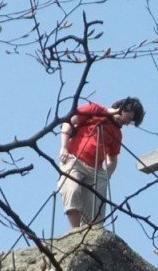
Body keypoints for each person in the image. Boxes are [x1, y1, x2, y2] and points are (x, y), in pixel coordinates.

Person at [57, 96, 144, 229]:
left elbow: (113, 159)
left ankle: (88, 235)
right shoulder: (95, 110)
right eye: (129, 119)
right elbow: (68, 122)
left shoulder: (117, 134)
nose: (128, 123)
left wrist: (106, 175)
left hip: (95, 171)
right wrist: (63, 147)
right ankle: (75, 233)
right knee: (72, 190)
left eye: (131, 121)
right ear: (123, 109)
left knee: (95, 210)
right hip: (75, 160)